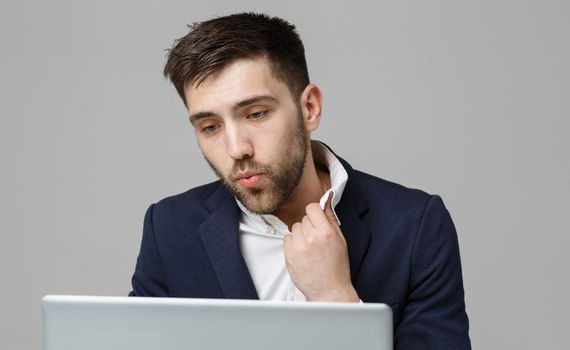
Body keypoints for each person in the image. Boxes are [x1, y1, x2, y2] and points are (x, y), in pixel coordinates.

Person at [129, 12, 471, 349]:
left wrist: (335, 298)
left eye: (256, 114)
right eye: (210, 127)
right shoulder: (170, 229)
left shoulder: (414, 226)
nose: (236, 149)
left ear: (309, 108)